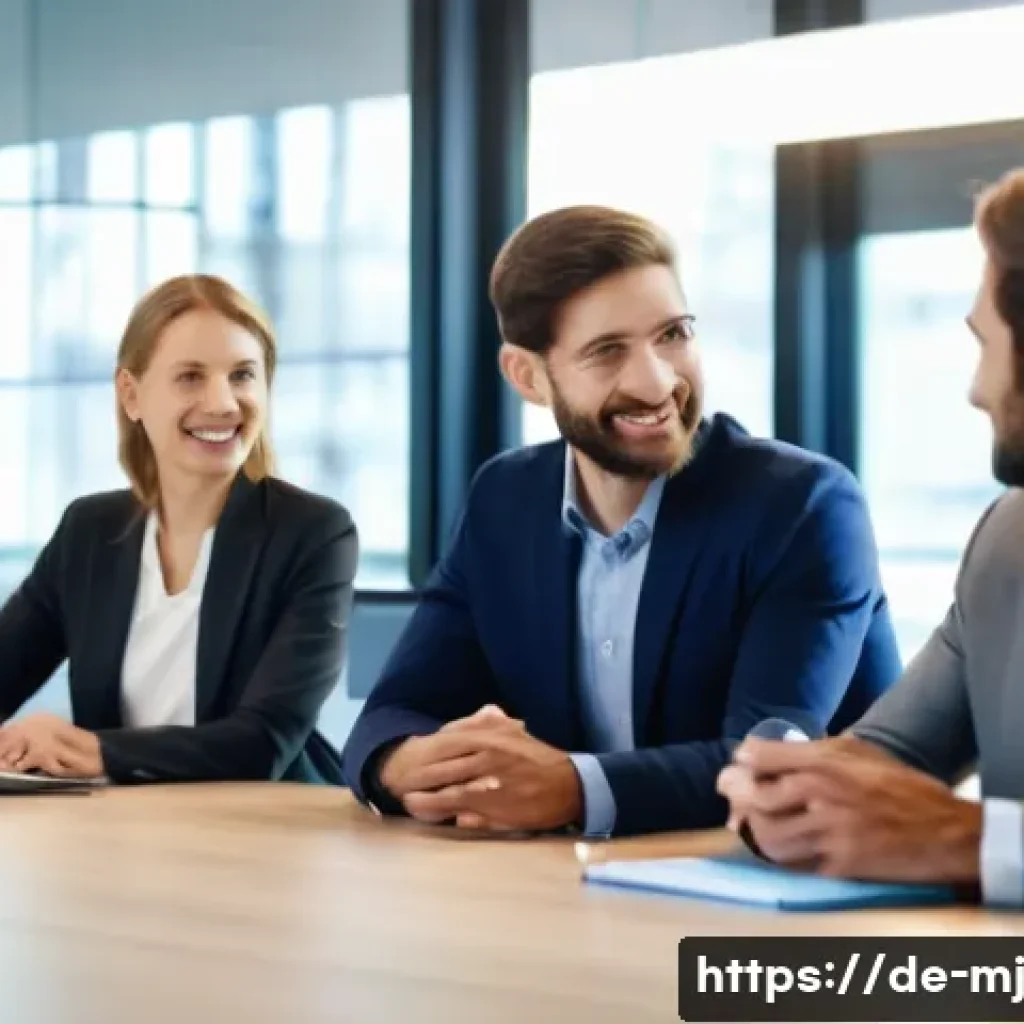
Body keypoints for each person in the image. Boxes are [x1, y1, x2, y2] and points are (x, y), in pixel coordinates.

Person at [342, 205, 901, 837]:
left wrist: (572, 789)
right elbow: (395, 709)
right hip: (589, 890)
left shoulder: (802, 505)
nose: (657, 382)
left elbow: (770, 761)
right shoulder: (505, 498)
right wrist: (405, 763)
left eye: (673, 335)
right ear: (528, 376)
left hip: (800, 894)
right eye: (608, 352)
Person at [717, 167, 1024, 906]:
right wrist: (790, 791)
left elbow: (945, 828)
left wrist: (971, 840)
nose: (974, 389)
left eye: (985, 343)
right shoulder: (1008, 541)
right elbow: (888, 755)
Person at [0, 274, 357, 784]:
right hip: (118, 834)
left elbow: (263, 742)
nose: (222, 403)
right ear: (131, 395)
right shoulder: (89, 532)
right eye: (190, 376)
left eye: (242, 375)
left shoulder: (313, 533)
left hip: (271, 835)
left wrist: (92, 750)